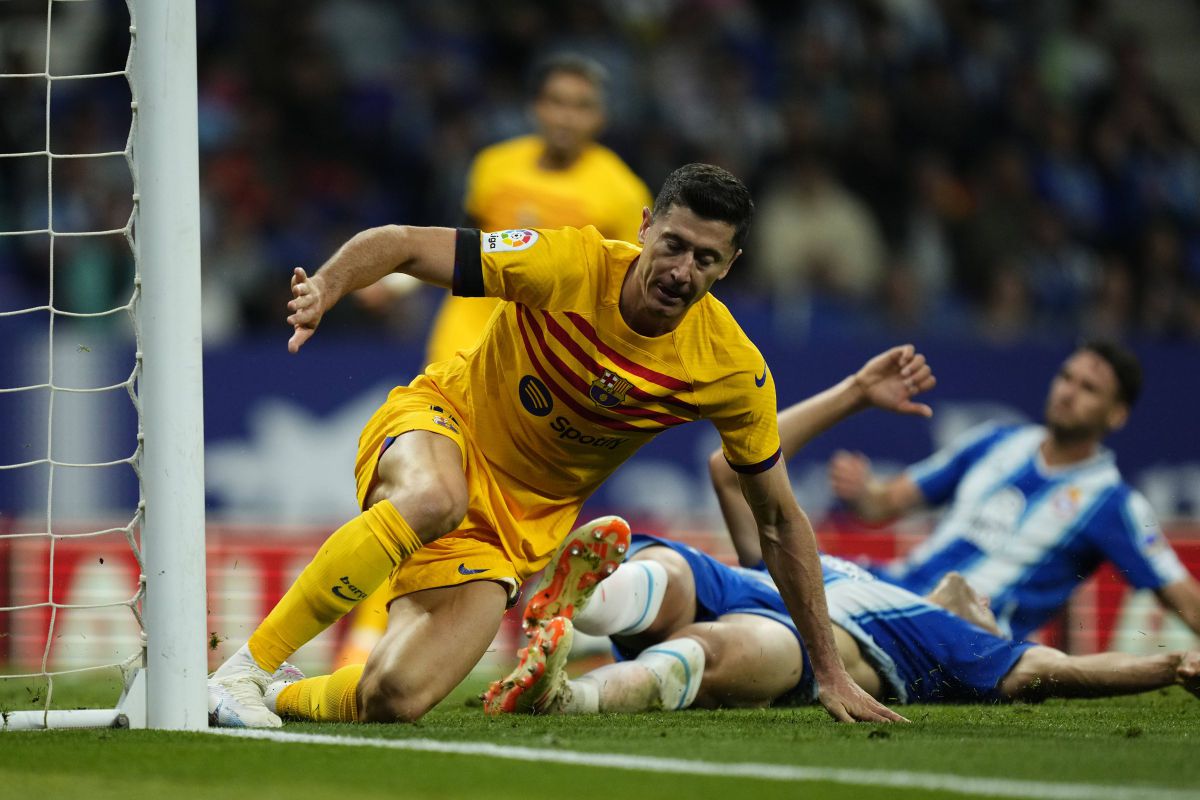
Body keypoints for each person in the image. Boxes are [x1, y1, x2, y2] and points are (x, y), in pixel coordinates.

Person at [208, 163, 906, 728]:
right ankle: (247, 666)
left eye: (705, 258)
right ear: (644, 228)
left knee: (397, 696)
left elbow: (780, 518)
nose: (681, 270)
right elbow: (406, 243)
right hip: (442, 422)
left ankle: (273, 699)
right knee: (435, 497)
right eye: (672, 245)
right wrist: (328, 285)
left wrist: (830, 669)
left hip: (519, 526)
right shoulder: (567, 264)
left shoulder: (727, 368)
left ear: (729, 266)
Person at [338, 53, 652, 667]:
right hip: (465, 338)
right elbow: (463, 241)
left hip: (544, 363)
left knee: (526, 501)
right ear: (537, 108)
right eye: (557, 101)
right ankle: (366, 638)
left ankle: (549, 637)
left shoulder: (620, 193)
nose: (567, 116)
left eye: (581, 105)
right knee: (426, 494)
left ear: (601, 117)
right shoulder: (495, 167)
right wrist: (398, 284)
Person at [484, 529, 1200, 716]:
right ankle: (573, 614)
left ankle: (569, 692)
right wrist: (856, 392)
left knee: (715, 646)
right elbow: (729, 472)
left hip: (802, 646)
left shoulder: (972, 649)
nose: (967, 589)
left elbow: (1063, 671)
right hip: (746, 581)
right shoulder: (873, 571)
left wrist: (1171, 666)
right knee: (670, 568)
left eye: (979, 596)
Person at [825, 341, 1200, 640]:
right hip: (892, 586)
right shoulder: (994, 440)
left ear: (1116, 414)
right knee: (791, 573)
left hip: (959, 634)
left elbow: (1180, 594)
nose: (1069, 393)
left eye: (1089, 388)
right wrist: (863, 492)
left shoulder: (1114, 503)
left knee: (805, 625)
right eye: (1067, 377)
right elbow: (884, 504)